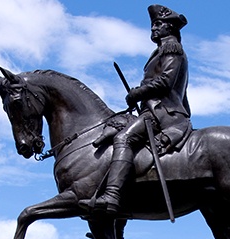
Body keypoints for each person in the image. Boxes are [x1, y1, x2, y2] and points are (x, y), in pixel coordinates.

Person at [79, 4, 191, 215]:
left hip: (165, 113)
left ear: (170, 27)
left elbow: (165, 82)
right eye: (152, 25)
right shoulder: (159, 51)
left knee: (123, 139)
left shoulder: (171, 48)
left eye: (158, 24)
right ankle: (118, 220)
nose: (153, 29)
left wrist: (137, 93)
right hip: (154, 110)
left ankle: (111, 196)